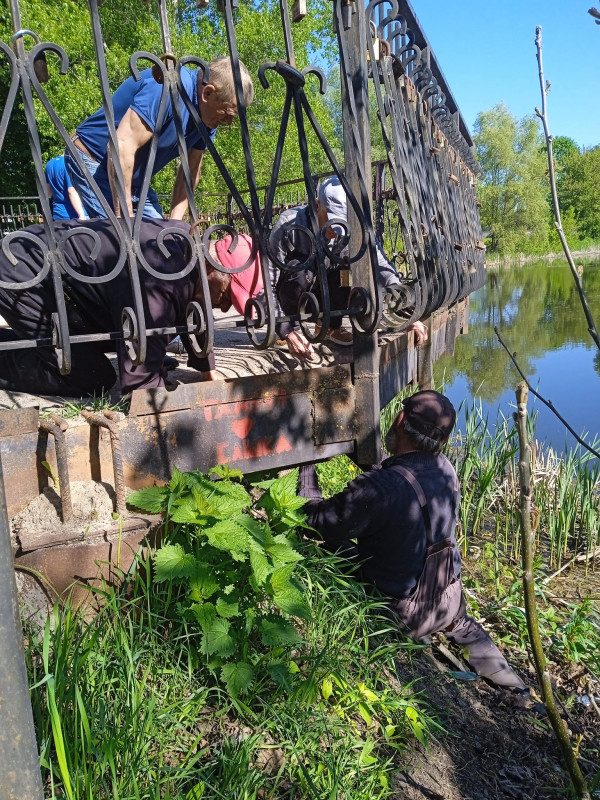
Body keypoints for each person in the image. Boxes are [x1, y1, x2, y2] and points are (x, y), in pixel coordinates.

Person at [298, 390, 526, 690]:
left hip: (403, 613)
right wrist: (362, 452)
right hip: (449, 600)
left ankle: (420, 633)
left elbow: (318, 521)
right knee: (465, 628)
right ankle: (518, 688)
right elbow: (399, 478)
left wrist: (306, 464)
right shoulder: (445, 469)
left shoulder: (382, 489)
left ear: (400, 418)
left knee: (333, 544)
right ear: (442, 440)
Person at [0, 219, 260, 396]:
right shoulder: (161, 278)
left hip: (55, 275)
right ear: (212, 268)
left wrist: (208, 371)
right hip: (24, 271)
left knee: (105, 343)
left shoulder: (187, 247)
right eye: (227, 296)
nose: (225, 309)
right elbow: (141, 386)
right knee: (89, 375)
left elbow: (194, 309)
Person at [65, 56, 254, 220]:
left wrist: (175, 223)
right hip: (93, 159)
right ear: (208, 93)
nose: (229, 122)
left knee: (164, 243)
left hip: (132, 178)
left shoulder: (209, 118)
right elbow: (121, 145)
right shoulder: (167, 87)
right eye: (228, 113)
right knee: (125, 243)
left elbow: (190, 172)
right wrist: (126, 217)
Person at [268, 175, 427, 361]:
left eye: (344, 221)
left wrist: (406, 312)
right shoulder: (289, 225)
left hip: (325, 293)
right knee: (298, 269)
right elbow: (266, 283)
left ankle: (329, 327)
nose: (337, 231)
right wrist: (285, 330)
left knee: (352, 268)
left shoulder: (356, 228)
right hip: (295, 293)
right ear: (317, 204)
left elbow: (381, 265)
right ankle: (293, 329)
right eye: (333, 218)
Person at [45, 154, 87, 221]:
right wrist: (82, 215)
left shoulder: (49, 164)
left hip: (58, 215)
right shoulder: (69, 164)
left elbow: (48, 193)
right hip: (74, 216)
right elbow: (71, 191)